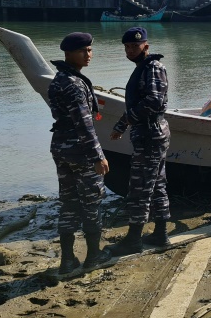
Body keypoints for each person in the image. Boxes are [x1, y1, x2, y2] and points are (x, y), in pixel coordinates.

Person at [48, 32, 111, 274]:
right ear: (68, 53)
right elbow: (84, 125)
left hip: (60, 146)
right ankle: (94, 257)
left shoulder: (59, 79)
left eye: (90, 50)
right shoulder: (74, 85)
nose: (89, 55)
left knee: (68, 202)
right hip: (80, 150)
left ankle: (67, 260)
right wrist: (98, 156)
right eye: (83, 51)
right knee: (92, 202)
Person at [107, 27, 172, 256]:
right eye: (126, 47)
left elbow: (153, 101)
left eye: (135, 46)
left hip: (149, 134)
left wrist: (129, 120)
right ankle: (161, 234)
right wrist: (122, 125)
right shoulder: (143, 69)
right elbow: (142, 103)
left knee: (139, 187)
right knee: (156, 185)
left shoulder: (153, 68)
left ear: (146, 45)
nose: (130, 50)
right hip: (151, 132)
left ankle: (134, 239)